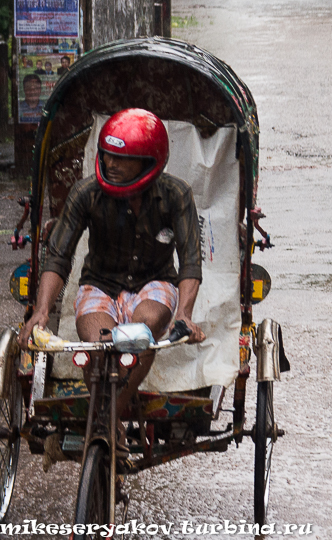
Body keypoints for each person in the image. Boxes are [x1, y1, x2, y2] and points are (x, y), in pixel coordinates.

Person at [19, 109, 207, 445]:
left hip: (154, 282)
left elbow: (191, 260)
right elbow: (59, 255)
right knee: (97, 346)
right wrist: (41, 311)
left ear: (150, 162)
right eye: (107, 156)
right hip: (99, 284)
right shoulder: (85, 192)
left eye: (123, 159)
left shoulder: (177, 195)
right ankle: (107, 424)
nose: (111, 164)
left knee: (141, 332)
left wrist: (184, 315)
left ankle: (105, 420)